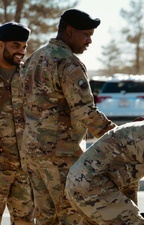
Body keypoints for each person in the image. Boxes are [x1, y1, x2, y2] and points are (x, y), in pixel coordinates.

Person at [21, 9, 117, 225]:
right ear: (69, 31)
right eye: (86, 34)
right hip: (60, 156)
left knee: (45, 218)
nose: (90, 41)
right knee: (73, 216)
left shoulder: (35, 58)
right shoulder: (67, 63)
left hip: (32, 153)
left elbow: (20, 105)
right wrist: (118, 135)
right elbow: (85, 112)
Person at [0, 22, 35, 225]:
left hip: (24, 167)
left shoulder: (29, 76)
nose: (21, 52)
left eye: (24, 47)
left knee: (25, 221)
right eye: (15, 46)